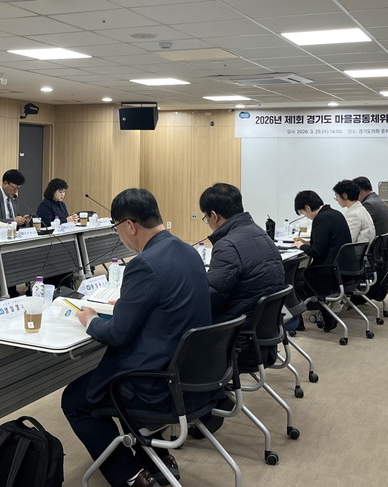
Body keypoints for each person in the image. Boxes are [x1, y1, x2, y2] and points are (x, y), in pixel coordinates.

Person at [61, 188, 213, 487]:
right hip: (192, 373)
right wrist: (131, 305)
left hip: (156, 381)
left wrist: (89, 319)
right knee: (110, 386)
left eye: (116, 228)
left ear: (130, 225)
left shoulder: (143, 264)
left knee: (75, 399)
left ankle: (130, 477)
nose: (119, 237)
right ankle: (156, 460)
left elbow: (117, 335)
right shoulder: (188, 251)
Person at [193, 183, 285, 437]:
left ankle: (205, 402)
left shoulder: (228, 245)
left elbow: (210, 299)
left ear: (214, 215)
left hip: (237, 342)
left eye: (206, 218)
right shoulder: (259, 233)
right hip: (261, 336)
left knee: (175, 338)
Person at [291, 190, 351, 332]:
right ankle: (326, 315)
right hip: (342, 269)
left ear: (307, 207)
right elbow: (327, 243)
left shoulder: (321, 219)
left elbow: (317, 252)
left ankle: (298, 322)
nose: (305, 216)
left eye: (303, 213)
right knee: (300, 276)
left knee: (291, 279)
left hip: (328, 272)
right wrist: (306, 242)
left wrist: (301, 246)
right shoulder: (335, 214)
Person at [332, 179, 376, 244]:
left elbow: (348, 239)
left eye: (336, 195)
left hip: (358, 249)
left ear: (345, 196)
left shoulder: (353, 214)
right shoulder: (361, 209)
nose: (336, 199)